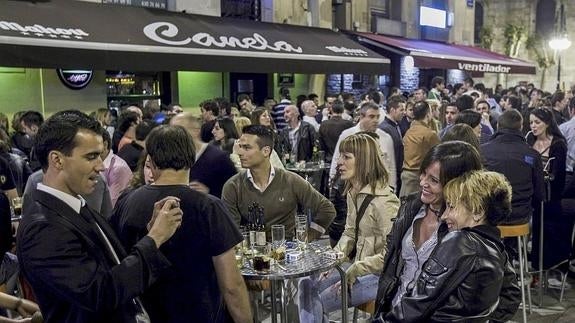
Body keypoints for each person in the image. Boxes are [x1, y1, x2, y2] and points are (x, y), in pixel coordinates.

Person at [17, 110, 183, 323]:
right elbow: (100, 294)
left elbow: (110, 258)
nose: (101, 166)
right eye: (91, 157)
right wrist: (155, 239)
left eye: (100, 155)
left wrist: (149, 232)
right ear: (57, 160)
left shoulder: (73, 206)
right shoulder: (44, 228)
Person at [111, 125, 252, 323]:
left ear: (150, 161)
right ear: (192, 157)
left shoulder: (126, 202)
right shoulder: (208, 207)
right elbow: (232, 285)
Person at [375, 170, 520, 322]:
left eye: (451, 207)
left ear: (477, 212)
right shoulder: (498, 251)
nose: (444, 216)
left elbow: (418, 304)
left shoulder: (459, 241)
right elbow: (511, 297)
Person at [374, 142, 485, 318]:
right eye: (423, 173)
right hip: (392, 312)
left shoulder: (466, 226)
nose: (423, 183)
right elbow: (391, 260)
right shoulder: (410, 206)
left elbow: (508, 295)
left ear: (455, 184)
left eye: (434, 180)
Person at [317, 133, 400, 315]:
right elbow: (349, 233)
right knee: (308, 285)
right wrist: (333, 259)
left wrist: (355, 269)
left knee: (318, 302)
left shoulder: (384, 203)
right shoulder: (353, 192)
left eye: (346, 157)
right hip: (359, 267)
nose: (339, 162)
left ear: (364, 161)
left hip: (381, 276)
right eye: (340, 156)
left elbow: (391, 255)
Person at [222, 125, 335, 241]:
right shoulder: (233, 186)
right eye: (240, 147)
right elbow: (230, 231)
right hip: (252, 253)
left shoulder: (291, 180)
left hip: (286, 252)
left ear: (266, 151)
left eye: (247, 148)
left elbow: (327, 209)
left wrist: (309, 237)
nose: (240, 152)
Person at [527, 107, 569, 270]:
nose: (533, 126)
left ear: (547, 123)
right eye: (531, 122)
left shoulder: (558, 144)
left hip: (550, 196)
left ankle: (550, 266)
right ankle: (535, 265)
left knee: (549, 230)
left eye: (537, 122)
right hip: (533, 192)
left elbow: (558, 175)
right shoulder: (530, 140)